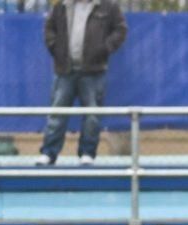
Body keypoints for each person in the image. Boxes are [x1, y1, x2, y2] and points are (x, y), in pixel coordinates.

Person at [35, 0, 127, 166]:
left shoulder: (108, 6)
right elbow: (49, 28)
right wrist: (55, 48)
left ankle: (87, 153)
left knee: (92, 115)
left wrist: (105, 48)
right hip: (64, 71)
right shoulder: (61, 5)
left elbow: (120, 29)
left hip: (94, 71)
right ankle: (49, 153)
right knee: (57, 114)